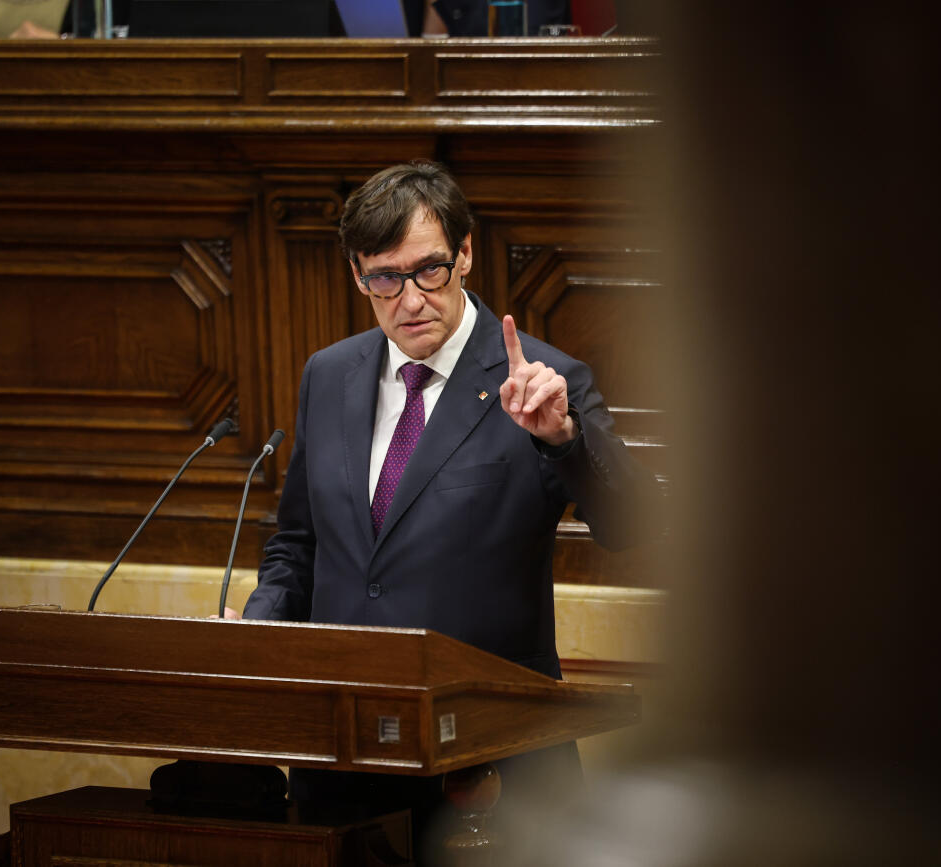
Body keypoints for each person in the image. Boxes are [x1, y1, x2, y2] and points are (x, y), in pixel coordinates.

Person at [232, 160, 658, 861]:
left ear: (464, 254)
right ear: (356, 274)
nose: (409, 299)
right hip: (341, 759)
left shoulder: (541, 380)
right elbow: (299, 545)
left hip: (490, 765)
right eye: (384, 278)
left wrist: (563, 438)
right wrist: (259, 632)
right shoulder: (328, 373)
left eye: (428, 270)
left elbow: (635, 524)